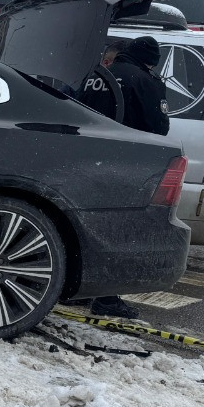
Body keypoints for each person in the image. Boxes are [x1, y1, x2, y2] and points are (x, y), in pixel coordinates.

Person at [88, 35, 170, 320]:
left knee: (86, 225)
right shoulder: (145, 81)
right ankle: (106, 297)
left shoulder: (97, 73)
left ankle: (79, 289)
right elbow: (158, 128)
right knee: (116, 230)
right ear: (151, 61)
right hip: (122, 165)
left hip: (83, 161)